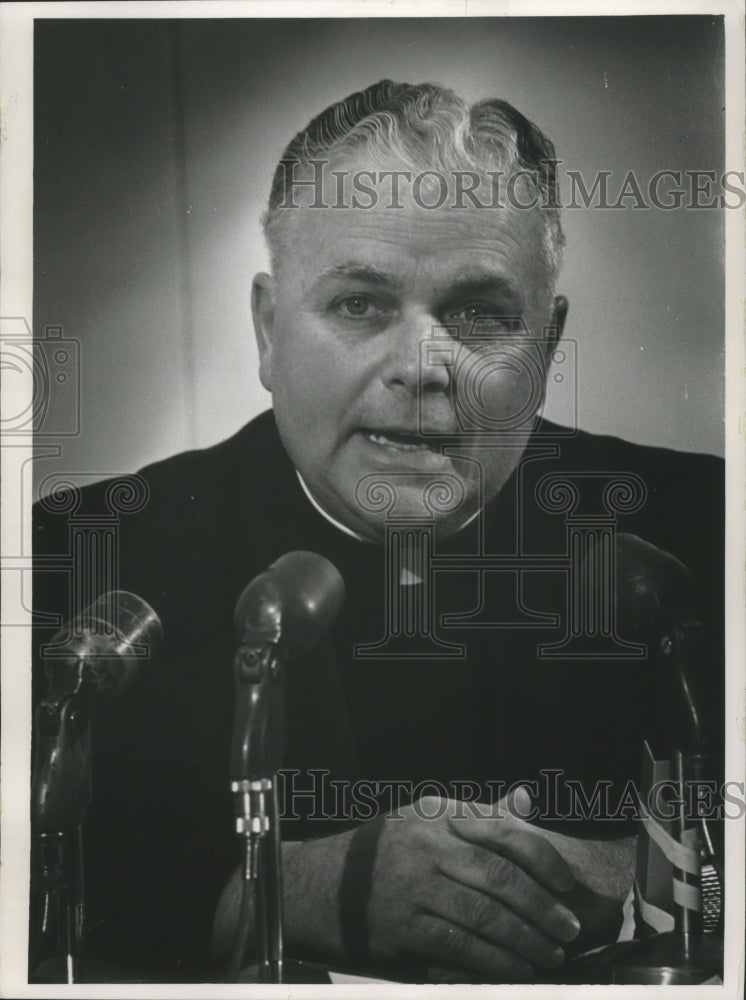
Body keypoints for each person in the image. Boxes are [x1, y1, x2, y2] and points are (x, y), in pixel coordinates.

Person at [31, 80, 724, 983]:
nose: (421, 368)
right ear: (269, 330)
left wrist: (662, 879)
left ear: (547, 349)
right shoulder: (85, 563)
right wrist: (274, 891)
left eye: (480, 314)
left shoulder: (711, 529)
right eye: (360, 304)